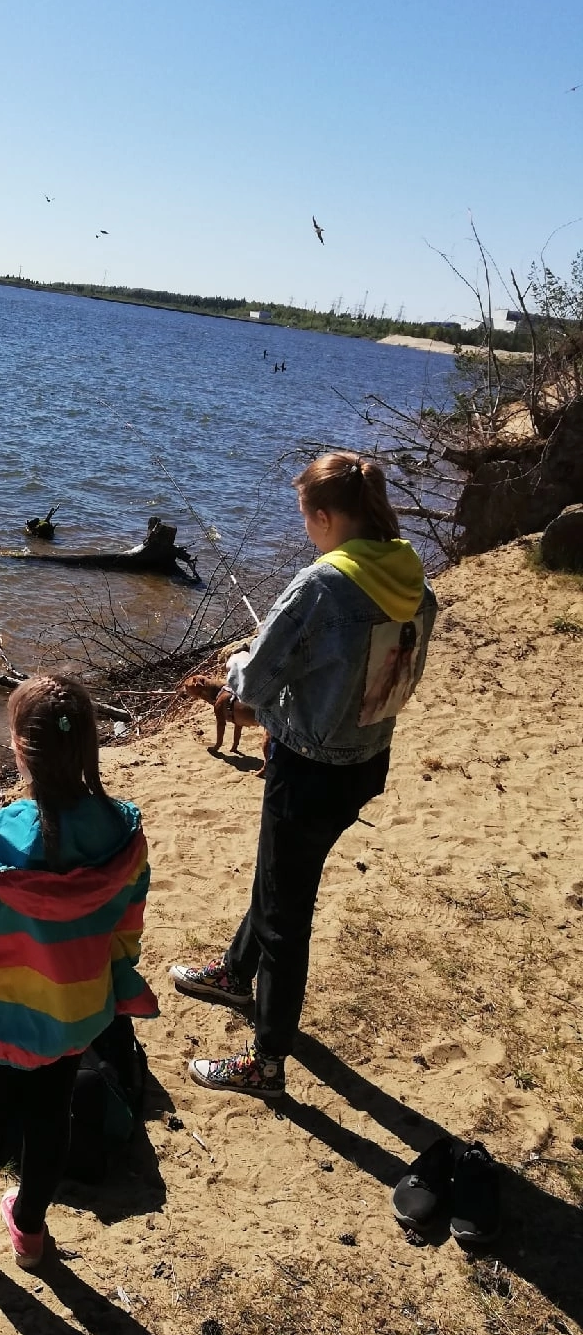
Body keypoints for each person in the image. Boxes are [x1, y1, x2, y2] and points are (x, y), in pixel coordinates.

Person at [170, 451, 437, 1099]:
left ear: (323, 516)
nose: (306, 531)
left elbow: (256, 681)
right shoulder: (412, 580)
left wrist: (236, 664)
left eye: (306, 518)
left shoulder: (325, 584)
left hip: (308, 768)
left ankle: (266, 1063)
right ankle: (236, 973)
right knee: (280, 875)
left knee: (287, 914)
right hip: (366, 763)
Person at [0, 676, 158, 1269]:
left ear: (19, 749)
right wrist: (111, 979)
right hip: (77, 1012)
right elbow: (127, 926)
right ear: (89, 747)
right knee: (51, 1116)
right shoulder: (122, 831)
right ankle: (31, 1230)